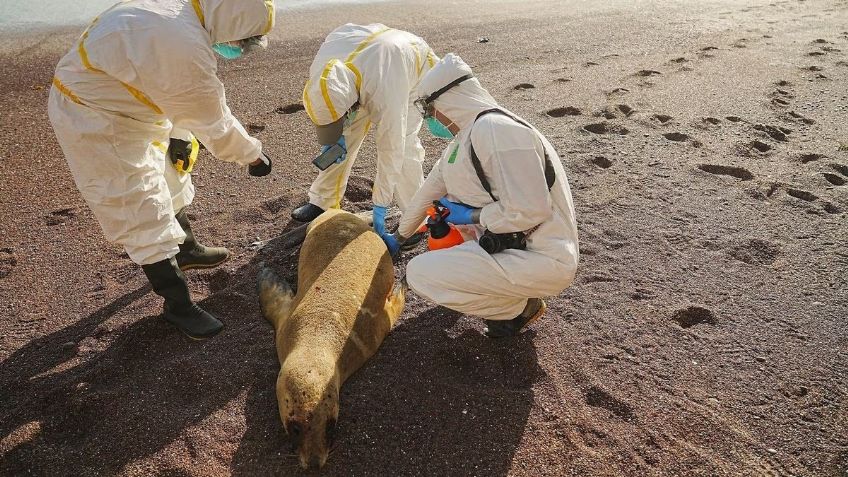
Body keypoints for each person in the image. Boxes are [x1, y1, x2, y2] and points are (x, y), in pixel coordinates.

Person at [48, 0, 276, 340]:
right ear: (235, 23)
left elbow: (165, 83)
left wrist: (179, 132)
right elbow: (214, 121)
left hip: (134, 102)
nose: (238, 49)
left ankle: (185, 249)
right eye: (242, 43)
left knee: (173, 175)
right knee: (140, 205)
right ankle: (178, 305)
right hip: (96, 119)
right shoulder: (181, 44)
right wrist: (254, 157)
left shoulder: (181, 11)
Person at [380, 54, 579, 338]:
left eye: (429, 109)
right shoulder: (463, 141)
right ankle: (512, 300)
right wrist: (397, 237)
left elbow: (531, 210)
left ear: (450, 99)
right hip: (510, 246)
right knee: (441, 253)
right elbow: (427, 194)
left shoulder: (498, 130)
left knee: (420, 273)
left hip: (544, 257)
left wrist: (471, 215)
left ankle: (517, 307)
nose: (430, 119)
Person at [292, 23, 439, 248]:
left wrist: (380, 204)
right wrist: (331, 137)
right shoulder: (323, 72)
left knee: (405, 144)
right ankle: (323, 201)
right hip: (369, 63)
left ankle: (415, 218)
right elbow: (328, 105)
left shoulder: (386, 89)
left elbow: (392, 147)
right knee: (345, 135)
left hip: (411, 71)